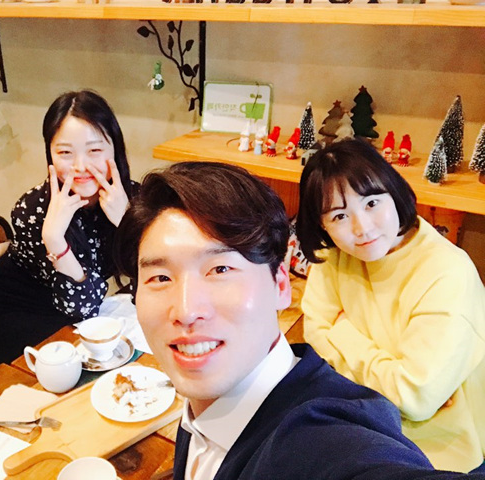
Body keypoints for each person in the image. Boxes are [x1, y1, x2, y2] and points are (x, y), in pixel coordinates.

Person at [113, 160, 485, 480]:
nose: (185, 310)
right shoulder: (204, 401)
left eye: (220, 269)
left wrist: (339, 330)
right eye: (160, 277)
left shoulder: (320, 443)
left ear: (280, 284)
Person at [296, 138, 485, 473]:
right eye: (339, 216)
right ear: (322, 225)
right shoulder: (334, 257)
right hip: (354, 427)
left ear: (394, 193)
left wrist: (340, 331)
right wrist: (388, 375)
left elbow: (414, 397)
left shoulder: (446, 272)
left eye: (371, 203)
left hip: (438, 451)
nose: (362, 228)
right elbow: (313, 335)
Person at [0, 90, 135, 364]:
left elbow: (156, 273)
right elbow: (81, 308)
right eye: (65, 152)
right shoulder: (32, 211)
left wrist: (127, 222)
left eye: (95, 150)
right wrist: (54, 238)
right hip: (23, 315)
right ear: (50, 155)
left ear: (115, 149)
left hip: (86, 311)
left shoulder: (134, 198)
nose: (81, 166)